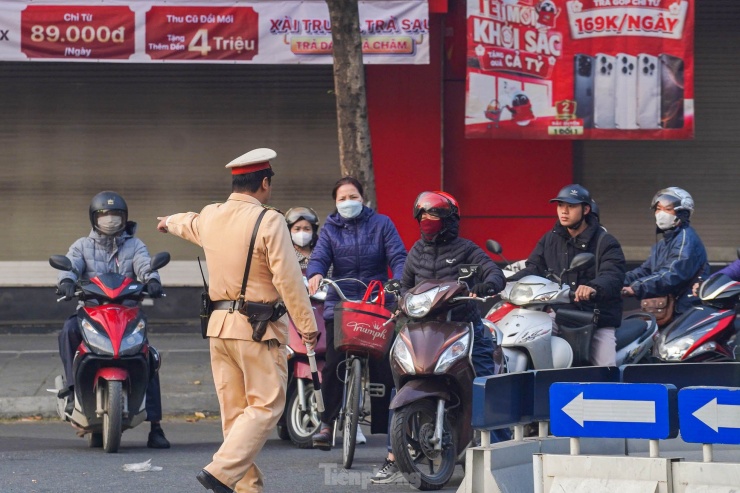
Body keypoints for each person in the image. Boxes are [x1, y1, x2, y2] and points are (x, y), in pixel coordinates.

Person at [156, 148, 318, 493]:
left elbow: (188, 223)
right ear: (263, 183)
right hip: (258, 330)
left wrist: (167, 222)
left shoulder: (212, 214)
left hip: (218, 328)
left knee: (235, 413)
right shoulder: (269, 220)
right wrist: (307, 326)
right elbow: (288, 280)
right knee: (267, 405)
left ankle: (246, 488)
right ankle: (220, 471)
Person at [370, 190, 508, 484]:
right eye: (422, 216)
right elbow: (405, 284)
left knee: (484, 383)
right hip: (423, 329)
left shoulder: (467, 249)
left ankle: (500, 451)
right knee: (402, 380)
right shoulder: (416, 251)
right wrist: (398, 299)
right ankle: (394, 456)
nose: (426, 221)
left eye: (433, 215)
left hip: (463, 326)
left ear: (448, 220)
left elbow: (493, 272)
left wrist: (487, 284)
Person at [57, 191, 170, 449]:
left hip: (127, 312)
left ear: (125, 218)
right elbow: (71, 266)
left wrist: (152, 280)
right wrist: (65, 281)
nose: (110, 221)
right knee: (68, 329)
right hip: (92, 311)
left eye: (116, 216)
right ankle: (73, 392)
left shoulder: (135, 245)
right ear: (94, 219)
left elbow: (145, 265)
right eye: (104, 216)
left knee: (148, 356)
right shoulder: (82, 246)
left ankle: (156, 426)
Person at [306, 176, 407, 452]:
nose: (347, 202)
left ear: (363, 199)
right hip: (341, 302)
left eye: (352, 197)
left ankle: (384, 423)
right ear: (335, 203)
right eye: (342, 199)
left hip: (376, 301)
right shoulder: (329, 229)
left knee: (383, 362)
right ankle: (327, 424)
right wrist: (314, 273)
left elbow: (398, 256)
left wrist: (397, 281)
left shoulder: (382, 224)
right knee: (334, 364)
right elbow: (320, 257)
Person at [509, 184, 626, 367]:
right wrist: (501, 282)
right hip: (560, 315)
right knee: (525, 337)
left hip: (596, 319)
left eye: (571, 206)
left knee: (607, 372)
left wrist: (593, 287)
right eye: (560, 206)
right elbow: (533, 269)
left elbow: (613, 275)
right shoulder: (550, 239)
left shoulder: (606, 242)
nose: (564, 211)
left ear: (585, 209)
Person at [623, 187, 709, 317]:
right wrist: (617, 280)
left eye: (668, 209)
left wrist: (635, 288)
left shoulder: (686, 239)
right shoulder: (664, 243)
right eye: (658, 209)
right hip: (668, 310)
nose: (661, 214)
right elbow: (645, 270)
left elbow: (673, 274)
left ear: (682, 214)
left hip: (685, 312)